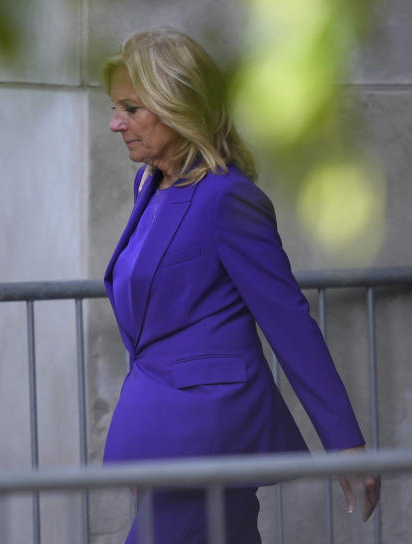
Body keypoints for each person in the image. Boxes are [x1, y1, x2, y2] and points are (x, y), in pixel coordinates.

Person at [100, 28, 380, 543]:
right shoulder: (152, 183)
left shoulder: (228, 198)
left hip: (207, 438)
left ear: (177, 106)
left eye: (130, 109)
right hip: (163, 430)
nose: (116, 123)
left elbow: (289, 321)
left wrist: (345, 443)